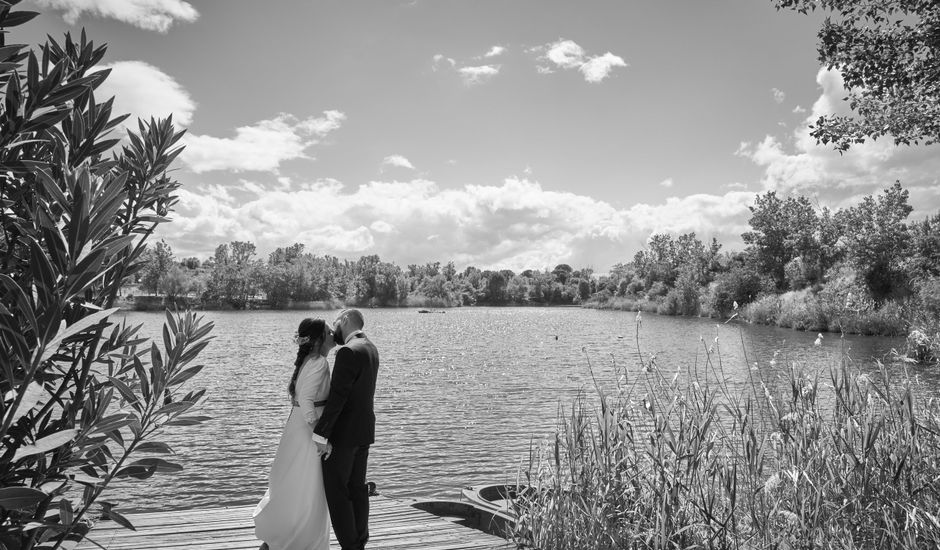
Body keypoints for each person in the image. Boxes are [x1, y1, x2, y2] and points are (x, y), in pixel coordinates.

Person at [254, 318, 335, 550]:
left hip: (297, 429)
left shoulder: (307, 361)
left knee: (296, 485)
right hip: (308, 435)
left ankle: (284, 538)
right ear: (319, 340)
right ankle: (302, 542)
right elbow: (307, 402)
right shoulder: (319, 362)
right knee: (309, 490)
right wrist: (320, 437)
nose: (333, 334)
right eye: (329, 332)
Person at [313, 309, 379, 550]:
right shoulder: (370, 347)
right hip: (364, 432)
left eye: (335, 324)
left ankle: (350, 546)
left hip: (344, 435)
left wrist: (321, 434)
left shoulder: (347, 351)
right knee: (357, 489)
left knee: (337, 492)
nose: (334, 330)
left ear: (344, 321)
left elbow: (338, 398)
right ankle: (360, 542)